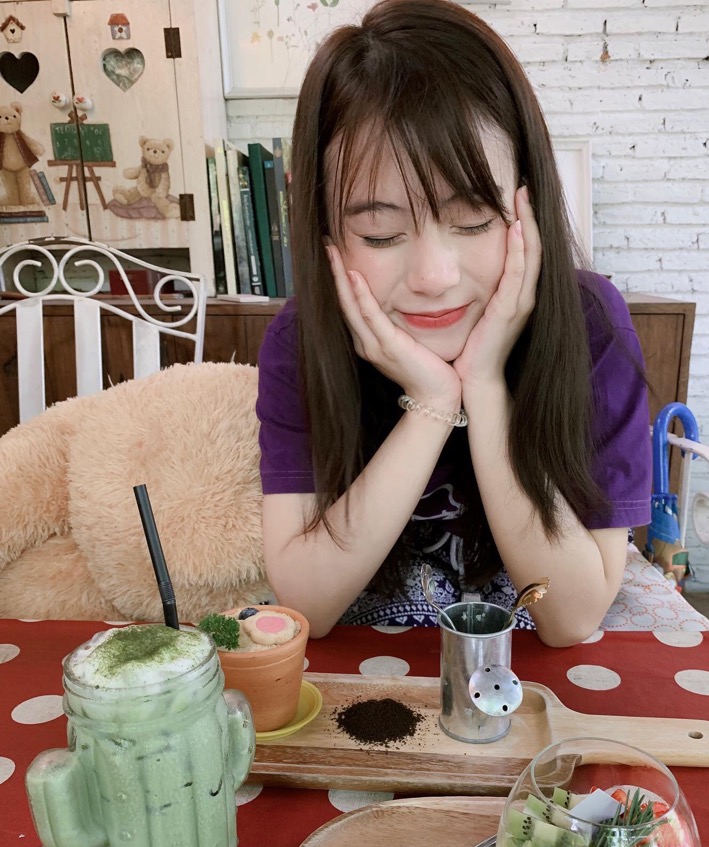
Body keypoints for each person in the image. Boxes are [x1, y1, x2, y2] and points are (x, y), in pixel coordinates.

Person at [256, 0, 651, 646]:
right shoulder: (301, 341)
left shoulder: (589, 327)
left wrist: (486, 388)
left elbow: (572, 618)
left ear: (526, 203)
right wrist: (433, 403)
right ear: (327, 229)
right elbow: (308, 604)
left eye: (472, 221)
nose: (434, 275)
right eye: (380, 233)